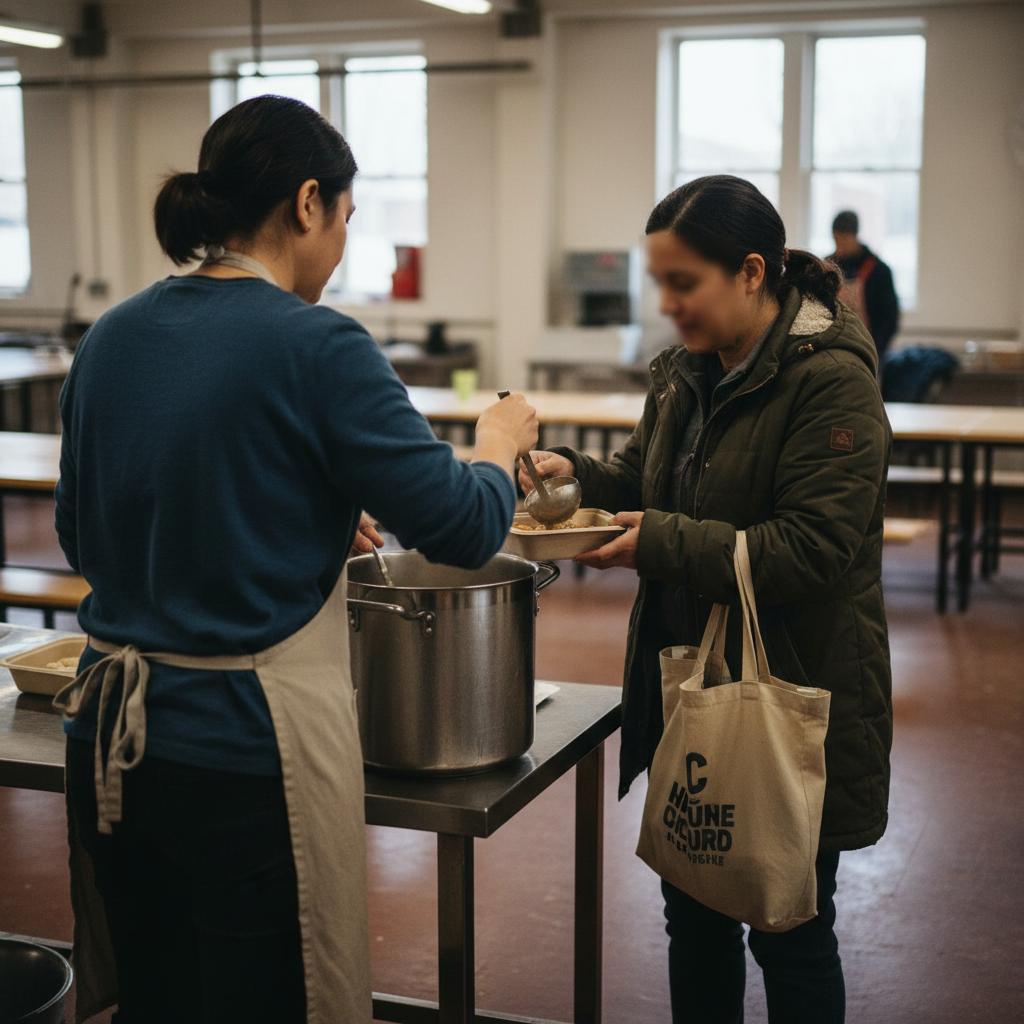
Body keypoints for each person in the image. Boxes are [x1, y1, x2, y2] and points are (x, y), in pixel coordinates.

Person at [54, 95, 538, 1024]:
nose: (343, 243)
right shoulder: (319, 344)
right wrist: (497, 444)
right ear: (309, 202)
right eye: (348, 219)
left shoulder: (112, 336)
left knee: (160, 1001)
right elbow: (466, 528)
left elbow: (88, 535)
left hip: (111, 748)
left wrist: (300, 516)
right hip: (243, 758)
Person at [521, 175, 893, 1024]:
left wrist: (655, 542)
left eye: (684, 282)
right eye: (662, 282)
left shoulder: (830, 380)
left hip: (790, 688)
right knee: (693, 915)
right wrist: (575, 472)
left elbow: (811, 549)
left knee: (790, 931)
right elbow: (645, 479)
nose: (669, 302)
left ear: (752, 272)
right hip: (689, 683)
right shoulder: (688, 372)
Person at [828, 209, 901, 362]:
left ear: (855, 236)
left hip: (868, 350)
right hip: (833, 349)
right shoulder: (827, 268)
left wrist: (877, 350)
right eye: (836, 239)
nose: (839, 244)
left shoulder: (879, 271)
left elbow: (890, 317)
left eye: (844, 239)